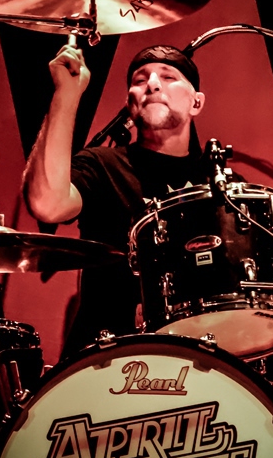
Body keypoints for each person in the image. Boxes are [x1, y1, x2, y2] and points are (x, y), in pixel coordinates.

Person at [22, 43, 210, 360]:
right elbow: (47, 205)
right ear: (129, 104)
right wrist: (66, 95)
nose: (152, 84)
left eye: (168, 77)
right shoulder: (102, 165)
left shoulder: (221, 186)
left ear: (196, 102)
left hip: (200, 359)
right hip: (103, 361)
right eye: (140, 80)